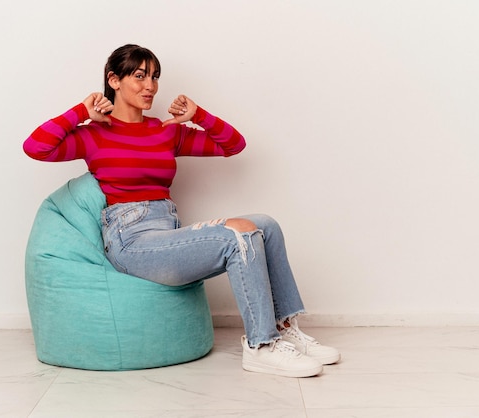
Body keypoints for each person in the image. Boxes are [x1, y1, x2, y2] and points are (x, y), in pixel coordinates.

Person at [23, 44, 339, 378]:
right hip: (131, 242)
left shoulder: (164, 132)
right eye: (140, 76)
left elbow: (233, 145)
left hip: (166, 232)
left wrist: (199, 116)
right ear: (113, 80)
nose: (151, 87)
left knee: (266, 225)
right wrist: (81, 111)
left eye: (155, 77)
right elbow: (36, 147)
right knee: (238, 235)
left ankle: (284, 327)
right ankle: (260, 346)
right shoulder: (94, 135)